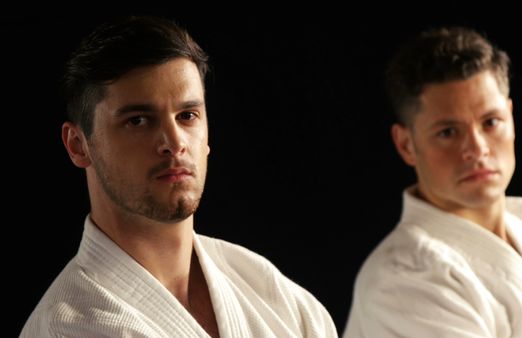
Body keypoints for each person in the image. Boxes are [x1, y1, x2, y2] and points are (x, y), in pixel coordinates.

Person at [20, 15, 338, 338]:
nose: (174, 143)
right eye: (138, 121)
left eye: (187, 116)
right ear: (78, 145)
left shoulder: (278, 299)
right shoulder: (68, 327)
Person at [343, 26, 522, 337]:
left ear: (511, 117)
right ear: (406, 144)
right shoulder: (402, 280)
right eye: (447, 132)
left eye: (490, 122)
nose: (476, 149)